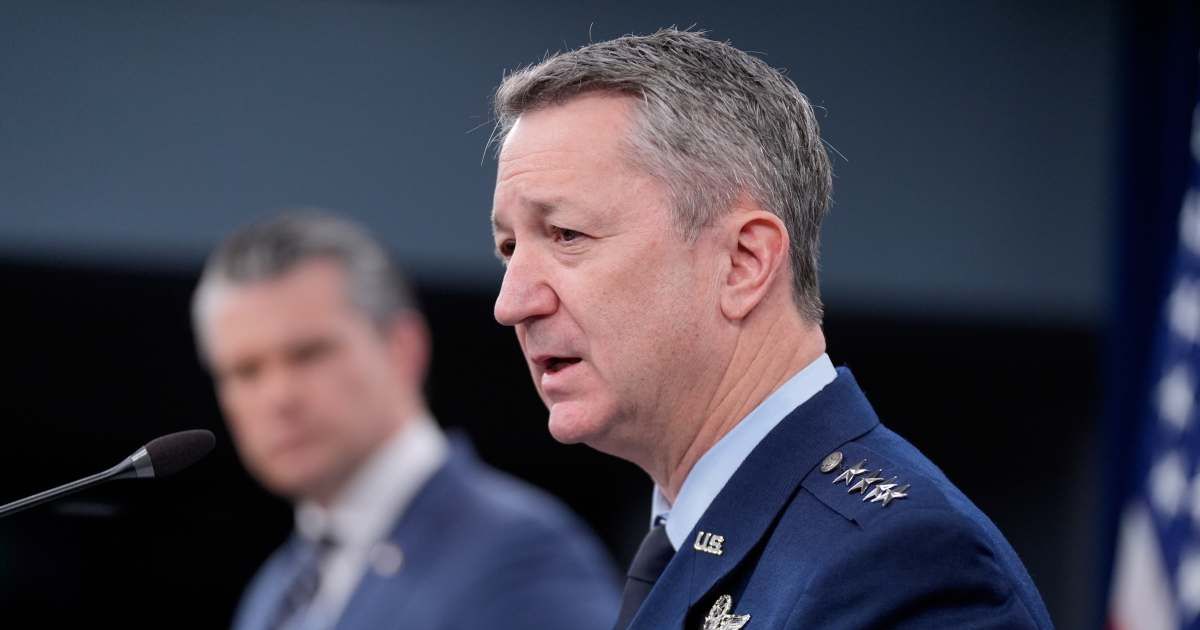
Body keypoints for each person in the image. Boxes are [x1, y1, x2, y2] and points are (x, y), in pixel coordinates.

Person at [488, 29, 1054, 629]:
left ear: (743, 263)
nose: (511, 303)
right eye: (507, 247)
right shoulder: (705, 539)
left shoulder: (906, 564)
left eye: (568, 236)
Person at [191, 211, 620, 630]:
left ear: (403, 347)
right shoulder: (273, 593)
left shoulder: (518, 556)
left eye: (309, 354)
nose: (278, 397)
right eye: (245, 371)